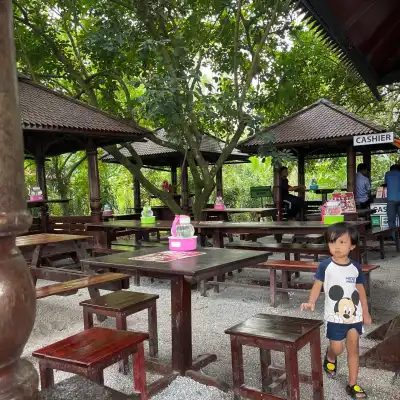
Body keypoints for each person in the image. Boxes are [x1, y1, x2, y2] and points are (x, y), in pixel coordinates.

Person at [301, 223, 371, 399]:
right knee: (338, 348)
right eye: (332, 243)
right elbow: (317, 286)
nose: (337, 247)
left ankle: (353, 384)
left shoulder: (355, 268)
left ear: (352, 245)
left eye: (342, 242)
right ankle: (330, 356)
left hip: (354, 316)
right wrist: (311, 301)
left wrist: (366, 312)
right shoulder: (325, 266)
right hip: (334, 317)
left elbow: (361, 292)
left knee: (353, 348)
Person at [384, 164, 400, 237]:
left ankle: (395, 238)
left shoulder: (387, 174)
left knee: (391, 220)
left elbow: (386, 184)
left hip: (391, 199)